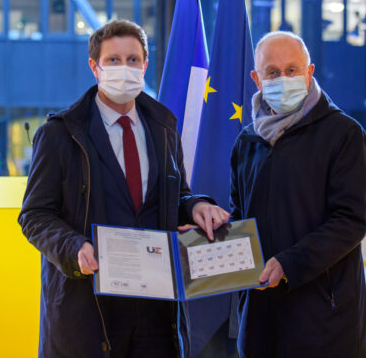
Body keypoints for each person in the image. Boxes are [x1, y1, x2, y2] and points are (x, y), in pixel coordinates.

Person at [18, 19, 230, 358]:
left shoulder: (163, 127)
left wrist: (196, 206)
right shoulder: (60, 134)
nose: (124, 68)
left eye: (133, 60)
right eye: (113, 60)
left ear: (145, 65)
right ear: (94, 67)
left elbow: (175, 196)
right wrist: (74, 247)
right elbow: (35, 215)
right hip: (88, 306)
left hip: (156, 309)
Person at [230, 31, 366, 357]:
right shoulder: (246, 142)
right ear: (257, 78)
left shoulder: (344, 135)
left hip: (323, 314)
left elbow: (351, 221)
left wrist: (289, 263)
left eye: (292, 70)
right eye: (273, 72)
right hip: (260, 314)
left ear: (309, 73)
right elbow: (239, 213)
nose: (283, 78)